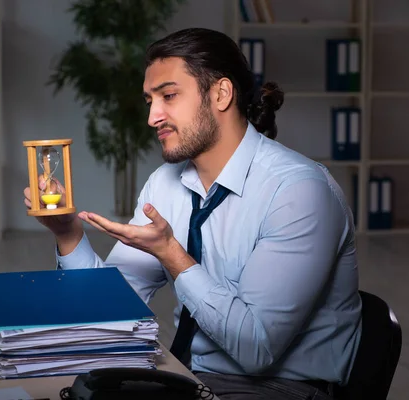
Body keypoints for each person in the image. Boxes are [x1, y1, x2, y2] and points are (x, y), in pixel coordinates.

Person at [24, 27, 362, 400]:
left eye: (169, 95)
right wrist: (68, 233)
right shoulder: (165, 185)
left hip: (281, 389)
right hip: (191, 377)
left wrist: (172, 255)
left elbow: (257, 350)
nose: (153, 116)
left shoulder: (299, 192)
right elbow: (108, 312)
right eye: (149, 100)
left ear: (221, 93)